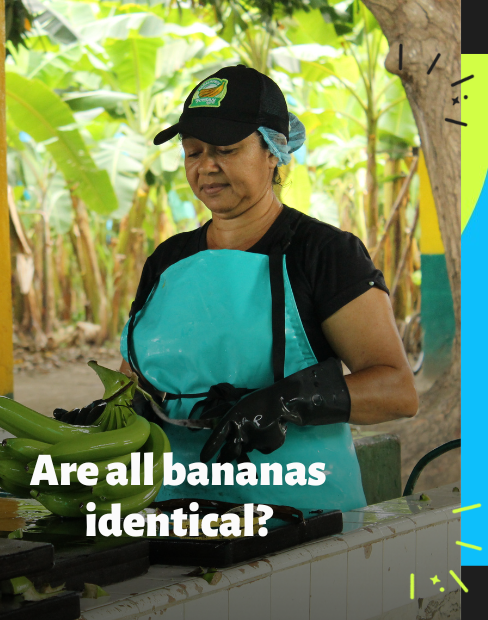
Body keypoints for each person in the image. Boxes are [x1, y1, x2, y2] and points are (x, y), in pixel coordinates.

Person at [57, 65, 418, 513]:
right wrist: (117, 410)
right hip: (174, 511)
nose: (206, 166)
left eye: (225, 149)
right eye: (193, 152)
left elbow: (397, 390)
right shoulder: (168, 262)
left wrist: (290, 401)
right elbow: (137, 377)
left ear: (274, 151)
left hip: (297, 518)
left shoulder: (323, 253)